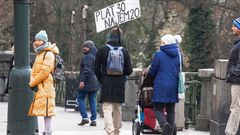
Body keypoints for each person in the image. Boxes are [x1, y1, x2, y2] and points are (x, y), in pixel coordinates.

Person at [94, 27, 133, 135]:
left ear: (109, 36)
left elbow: (95, 69)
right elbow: (129, 71)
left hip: (106, 81)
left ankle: (109, 131)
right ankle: (116, 131)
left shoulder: (101, 50)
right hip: (120, 83)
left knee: (107, 108)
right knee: (118, 109)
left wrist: (102, 78)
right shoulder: (124, 51)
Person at [148, 34, 182, 135]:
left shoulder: (159, 54)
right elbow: (179, 69)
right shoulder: (179, 55)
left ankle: (164, 125)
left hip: (160, 86)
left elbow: (152, 72)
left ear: (165, 43)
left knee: (157, 108)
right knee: (171, 109)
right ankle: (170, 131)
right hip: (173, 85)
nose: (160, 44)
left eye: (162, 42)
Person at [28, 30, 59, 135]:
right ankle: (46, 130)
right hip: (41, 85)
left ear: (44, 41)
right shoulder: (40, 53)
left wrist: (33, 82)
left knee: (47, 109)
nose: (37, 42)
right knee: (44, 109)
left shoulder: (48, 53)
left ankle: (47, 131)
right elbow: (35, 69)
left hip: (46, 85)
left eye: (39, 40)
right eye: (36, 40)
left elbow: (44, 72)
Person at [77, 40, 99, 126]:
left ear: (91, 48)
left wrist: (82, 81)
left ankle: (84, 117)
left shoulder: (88, 57)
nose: (85, 48)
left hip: (87, 82)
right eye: (84, 46)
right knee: (92, 100)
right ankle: (94, 120)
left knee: (80, 98)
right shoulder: (95, 56)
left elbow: (87, 70)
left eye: (87, 47)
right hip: (94, 82)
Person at [225, 17, 240, 135]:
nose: (232, 28)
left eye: (235, 26)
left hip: (238, 81)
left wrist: (232, 73)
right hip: (236, 79)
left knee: (235, 108)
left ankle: (230, 132)